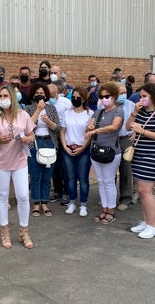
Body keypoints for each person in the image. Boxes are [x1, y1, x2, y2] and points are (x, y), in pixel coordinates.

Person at [0, 85, 36, 249]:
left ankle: (24, 231)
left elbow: (31, 134)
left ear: (13, 97)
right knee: (3, 196)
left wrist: (28, 138)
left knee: (23, 196)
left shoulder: (23, 115)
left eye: (6, 96)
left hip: (19, 159)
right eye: (1, 96)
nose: (3, 99)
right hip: (0, 161)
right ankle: (5, 231)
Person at [127, 84, 155, 238]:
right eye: (141, 96)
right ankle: (146, 222)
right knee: (141, 190)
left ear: (153, 96)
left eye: (145, 96)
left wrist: (143, 131)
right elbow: (127, 126)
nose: (142, 99)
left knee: (146, 191)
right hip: (138, 155)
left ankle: (153, 226)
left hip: (152, 157)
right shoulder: (140, 113)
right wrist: (134, 112)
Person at [85, 82, 124, 225]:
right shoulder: (98, 111)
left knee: (109, 181)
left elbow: (114, 127)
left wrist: (96, 130)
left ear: (114, 96)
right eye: (101, 96)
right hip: (96, 150)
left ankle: (111, 211)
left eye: (107, 96)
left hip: (111, 151)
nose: (104, 99)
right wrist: (89, 127)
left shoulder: (119, 110)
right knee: (101, 182)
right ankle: (104, 209)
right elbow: (90, 126)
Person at [25, 83, 60, 217]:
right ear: (33, 94)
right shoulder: (28, 109)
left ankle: (44, 202)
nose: (40, 95)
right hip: (34, 143)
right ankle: (35, 203)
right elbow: (27, 127)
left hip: (49, 142)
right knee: (35, 175)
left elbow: (57, 128)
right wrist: (38, 110)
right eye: (37, 93)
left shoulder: (51, 108)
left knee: (47, 175)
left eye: (42, 93)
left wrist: (48, 122)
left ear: (46, 95)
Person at [60, 87, 93, 216]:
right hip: (68, 148)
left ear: (83, 99)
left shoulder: (90, 114)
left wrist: (82, 148)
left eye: (78, 97)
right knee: (70, 178)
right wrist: (65, 146)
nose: (75, 99)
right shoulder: (67, 113)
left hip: (83, 150)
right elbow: (63, 132)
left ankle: (83, 205)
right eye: (73, 96)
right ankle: (72, 203)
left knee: (83, 179)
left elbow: (89, 134)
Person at [115, 82, 136, 211]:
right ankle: (109, 198)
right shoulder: (106, 105)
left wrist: (134, 131)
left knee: (126, 169)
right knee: (109, 169)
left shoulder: (132, 105)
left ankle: (126, 198)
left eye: (124, 92)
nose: (123, 95)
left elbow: (139, 119)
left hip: (126, 139)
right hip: (111, 139)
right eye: (120, 93)